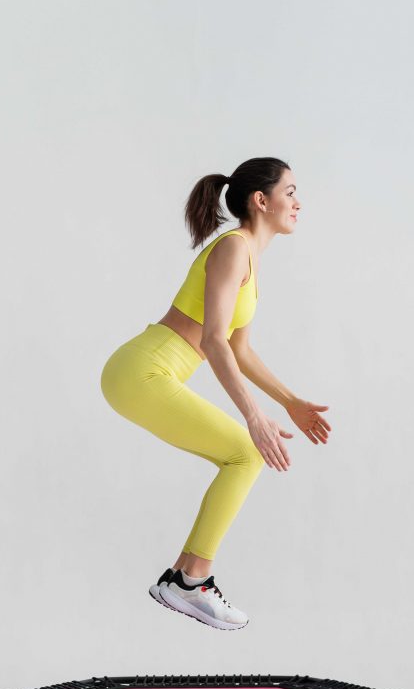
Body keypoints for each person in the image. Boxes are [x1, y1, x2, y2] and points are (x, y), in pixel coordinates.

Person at [100, 156, 330, 630]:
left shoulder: (248, 257)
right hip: (143, 369)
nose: (298, 202)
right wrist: (254, 416)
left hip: (145, 372)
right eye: (290, 192)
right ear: (260, 200)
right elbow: (213, 341)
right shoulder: (233, 248)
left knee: (244, 455)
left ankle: (183, 577)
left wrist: (289, 402)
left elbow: (239, 347)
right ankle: (192, 581)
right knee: (247, 452)